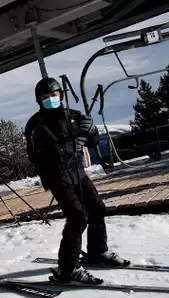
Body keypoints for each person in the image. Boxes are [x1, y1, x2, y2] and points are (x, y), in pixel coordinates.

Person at [24, 77, 130, 284]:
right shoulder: (35, 125)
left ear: (60, 96)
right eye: (45, 97)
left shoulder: (73, 116)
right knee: (77, 217)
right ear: (39, 100)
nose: (50, 100)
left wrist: (91, 130)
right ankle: (68, 268)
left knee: (97, 208)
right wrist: (61, 149)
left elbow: (91, 140)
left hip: (77, 171)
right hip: (56, 176)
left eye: (53, 95)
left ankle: (98, 252)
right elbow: (34, 155)